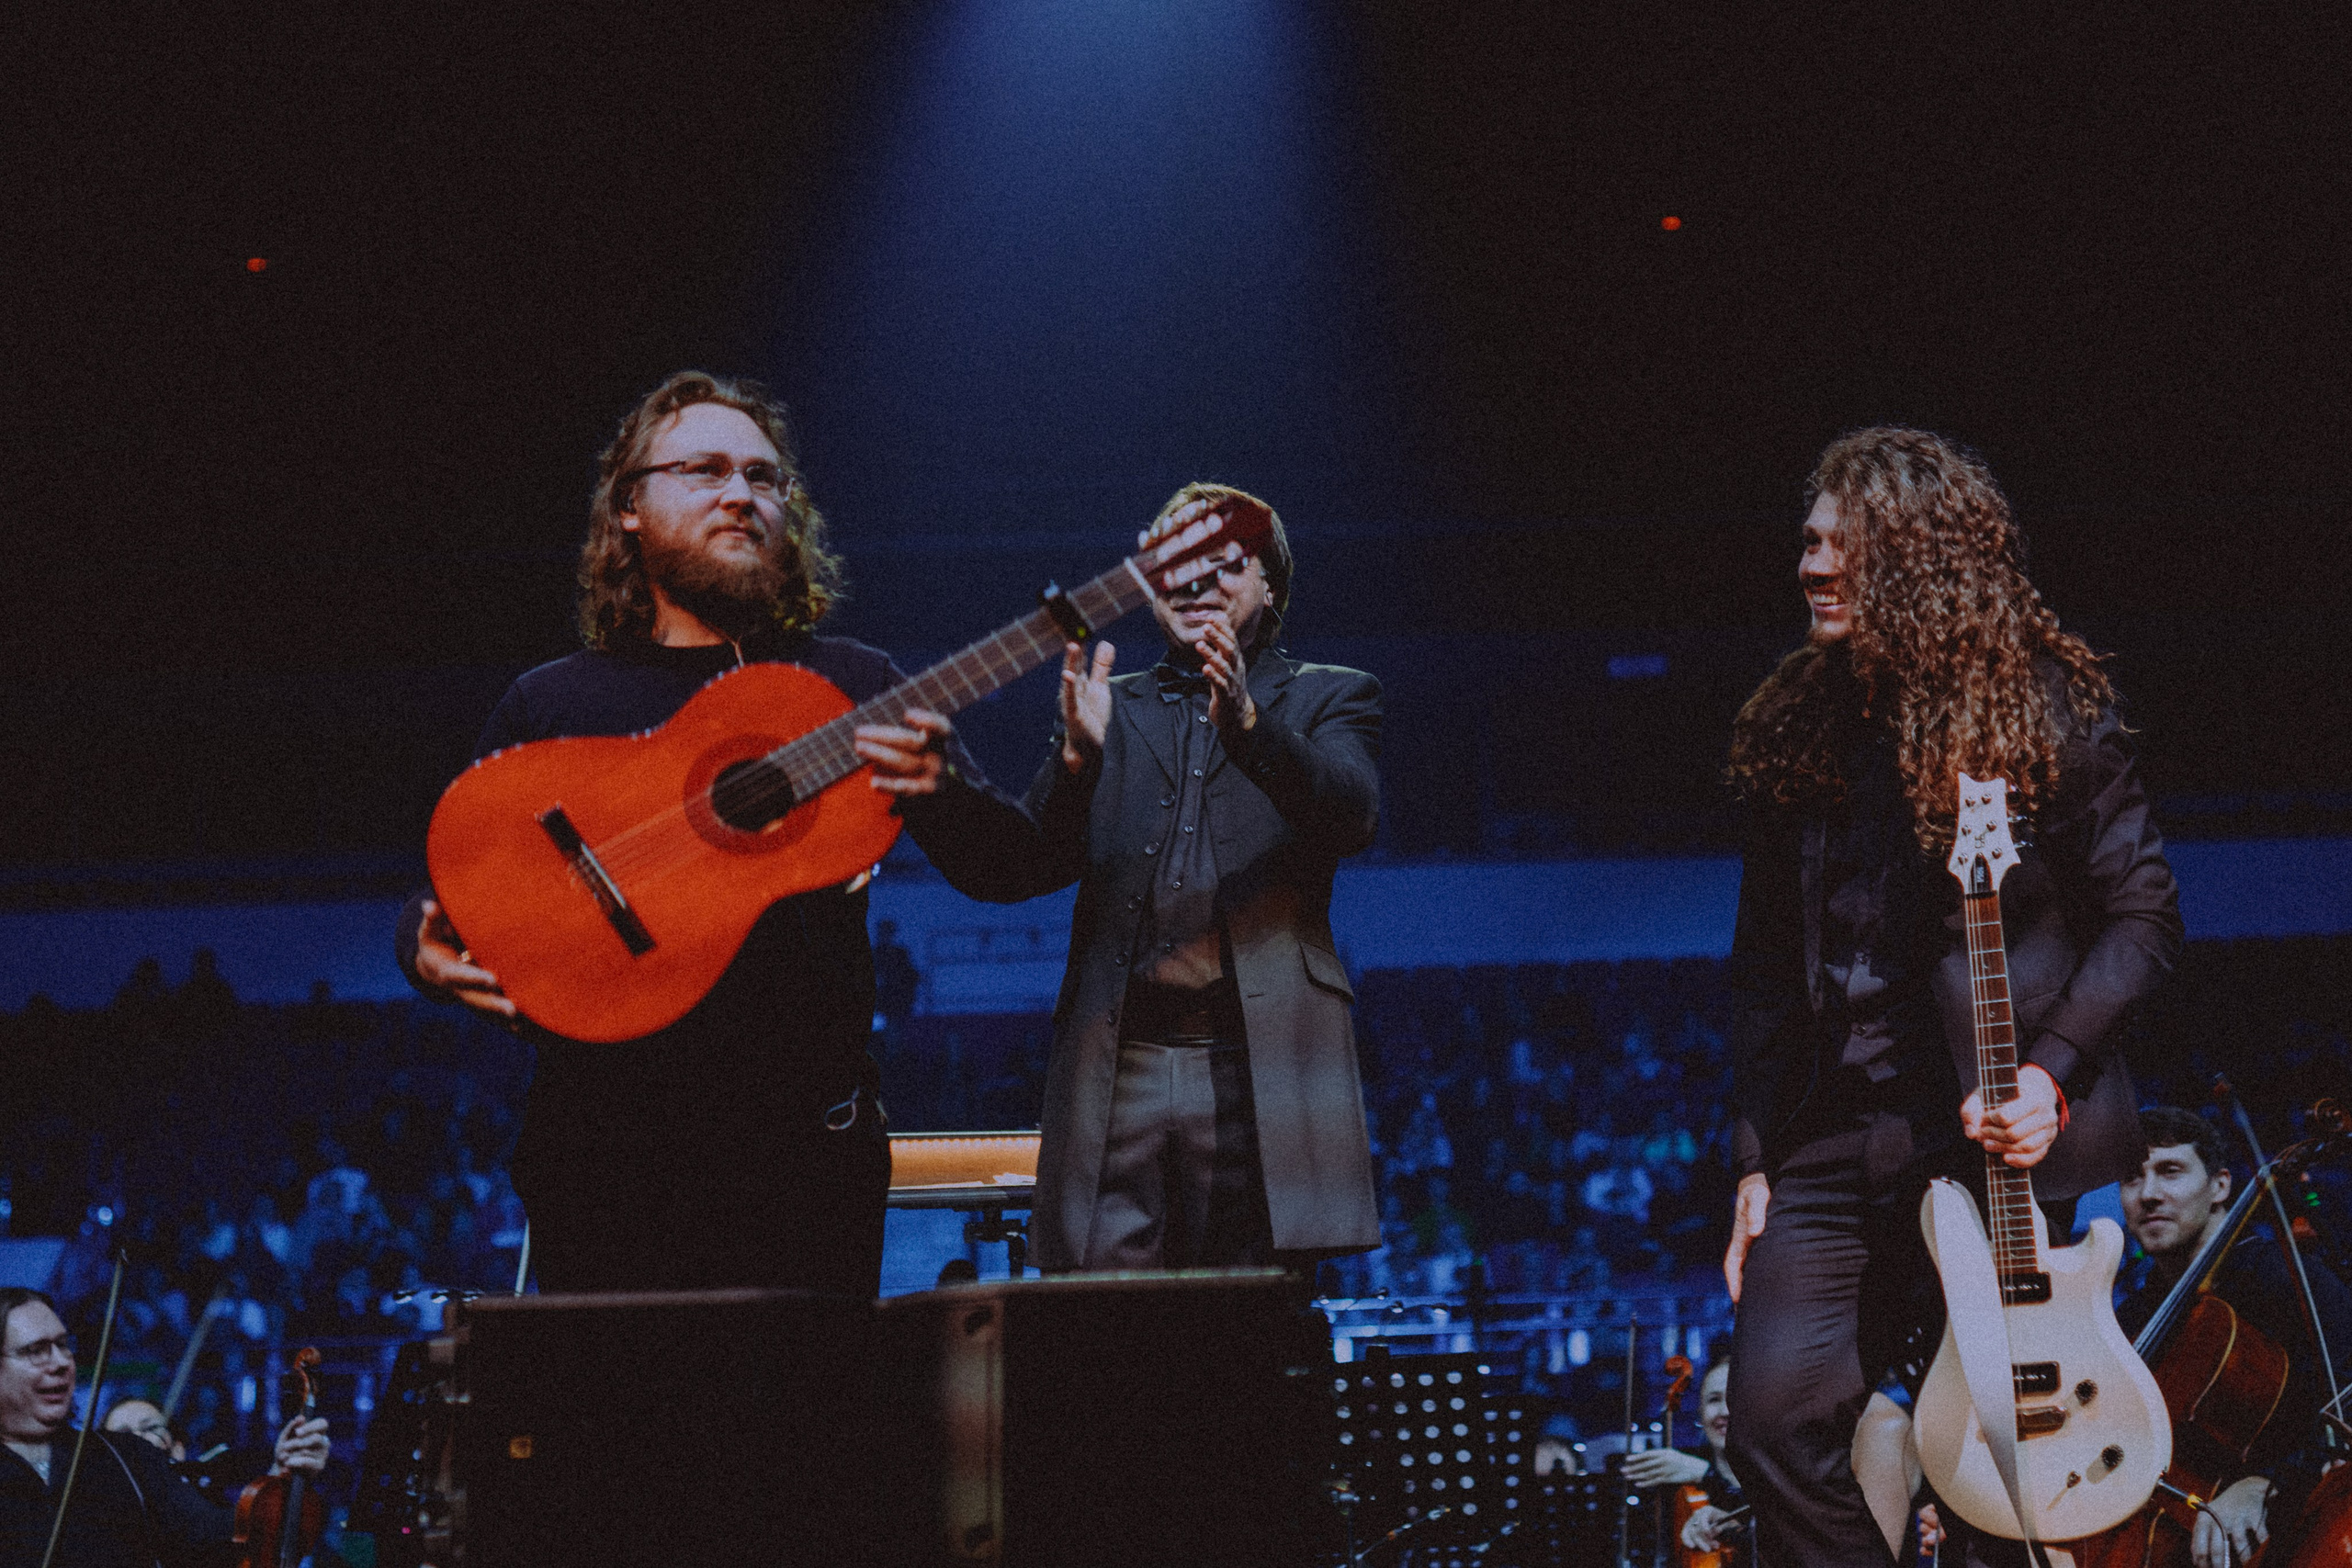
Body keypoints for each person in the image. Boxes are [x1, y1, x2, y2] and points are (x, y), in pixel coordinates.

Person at [396, 371, 1037, 1296]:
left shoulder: (852, 687)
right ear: (629, 509)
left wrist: (963, 787)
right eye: (703, 470)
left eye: (762, 477)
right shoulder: (551, 701)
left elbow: (1004, 868)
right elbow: (456, 892)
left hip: (807, 1168)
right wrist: (418, 949)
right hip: (604, 1165)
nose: (740, 494)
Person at [1715, 428, 2183, 1566]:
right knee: (1773, 1418)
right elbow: (1764, 970)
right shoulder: (1796, 722)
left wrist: (2050, 1070)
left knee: (1992, 1458)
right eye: (1808, 543)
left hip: (1985, 1139)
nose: (1812, 566)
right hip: (1829, 1131)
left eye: (1843, 547)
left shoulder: (2042, 710)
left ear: (1919, 559)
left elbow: (2144, 915)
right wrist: (1750, 1159)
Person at [965, 483, 1382, 1273]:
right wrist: (1075, 763)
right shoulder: (1101, 704)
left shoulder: (1334, 693)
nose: (1196, 583)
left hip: (1256, 1065)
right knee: (1105, 1332)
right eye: (1176, 565)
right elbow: (1024, 866)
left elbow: (1351, 814)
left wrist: (1252, 729)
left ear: (1270, 585)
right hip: (1119, 1060)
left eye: (1223, 565)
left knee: (1249, 1328)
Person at [2115, 1106, 2352, 1568]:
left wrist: (2265, 1482)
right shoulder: (2135, 1315)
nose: (2148, 1194)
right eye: (2131, 1178)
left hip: (2288, 1533)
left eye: (2170, 1171)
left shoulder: (2281, 1274)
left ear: (2220, 1186)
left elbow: (2347, 1393)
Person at [1, 1289, 329, 1566]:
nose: (60, 1362)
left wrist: (284, 1478)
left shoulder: (125, 1456)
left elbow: (228, 1541)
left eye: (63, 1344)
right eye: (36, 1351)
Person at [1623, 1356, 1746, 1554]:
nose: (1724, 1411)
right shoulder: (1678, 1472)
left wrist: (1706, 1474)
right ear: (1700, 1412)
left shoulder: (1782, 1476)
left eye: (1735, 1399)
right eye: (1714, 1400)